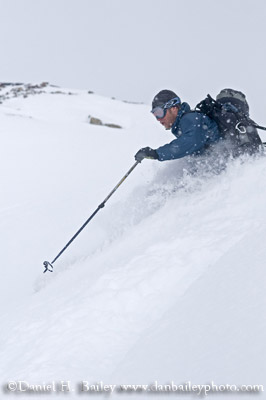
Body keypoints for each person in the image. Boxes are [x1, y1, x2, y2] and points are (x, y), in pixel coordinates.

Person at [135, 90, 221, 163]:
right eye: (155, 115)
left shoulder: (191, 119)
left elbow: (190, 142)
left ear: (174, 108)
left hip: (226, 158)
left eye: (160, 113)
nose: (158, 119)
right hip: (215, 161)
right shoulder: (181, 125)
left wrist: (156, 153)